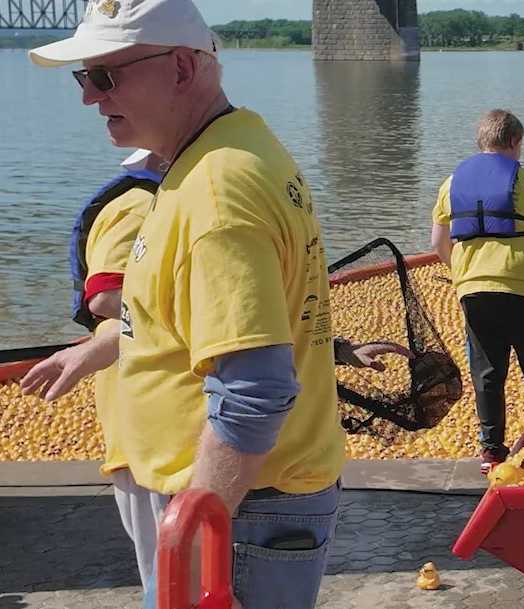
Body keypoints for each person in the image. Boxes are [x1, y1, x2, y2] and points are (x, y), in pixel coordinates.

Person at [25, 1, 347, 607]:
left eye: (106, 77)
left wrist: (192, 537)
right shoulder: (230, 149)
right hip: (245, 502)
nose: (90, 98)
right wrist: (99, 348)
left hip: (239, 513)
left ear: (180, 68)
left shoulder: (217, 193)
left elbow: (255, 391)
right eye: (84, 77)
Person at [21, 148, 161, 601]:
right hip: (146, 419)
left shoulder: (163, 199)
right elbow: (105, 297)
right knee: (172, 575)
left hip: (161, 417)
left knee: (181, 574)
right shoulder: (138, 205)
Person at [430, 109, 524, 475]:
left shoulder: (450, 183)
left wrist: (461, 274)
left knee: (488, 371)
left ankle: (491, 452)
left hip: (474, 293)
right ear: (515, 142)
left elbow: (438, 240)